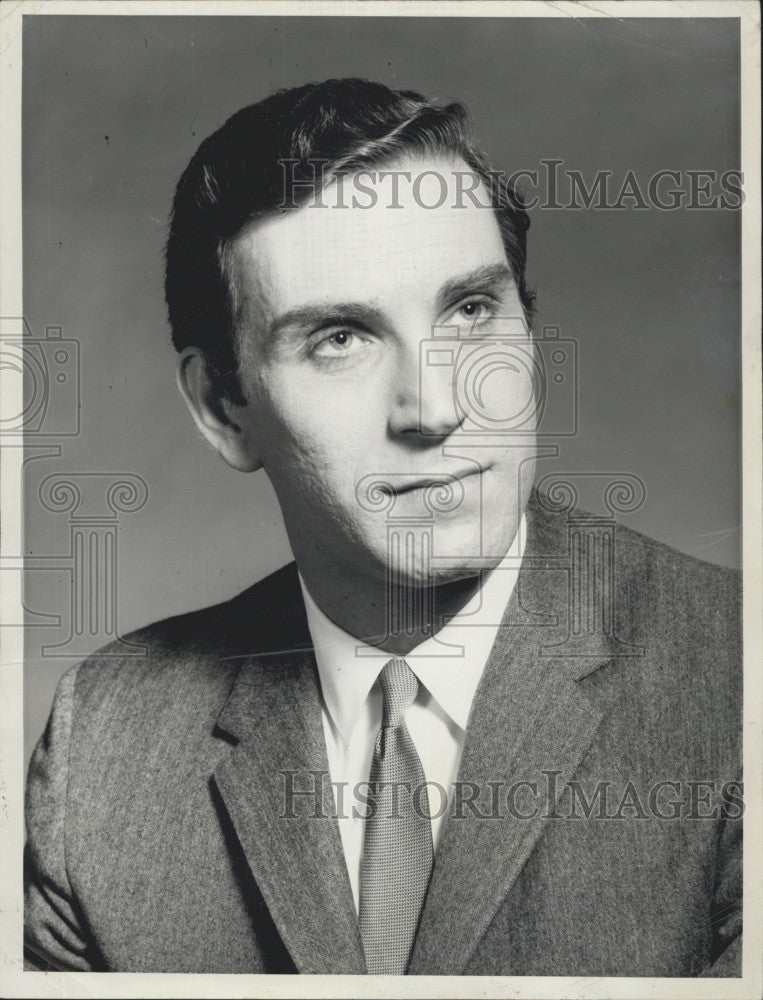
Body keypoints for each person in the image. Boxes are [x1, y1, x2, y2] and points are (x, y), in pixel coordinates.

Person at [24, 78, 741, 976]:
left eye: (470, 311)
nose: (434, 407)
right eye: (339, 339)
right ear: (223, 408)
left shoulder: (734, 681)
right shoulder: (106, 745)